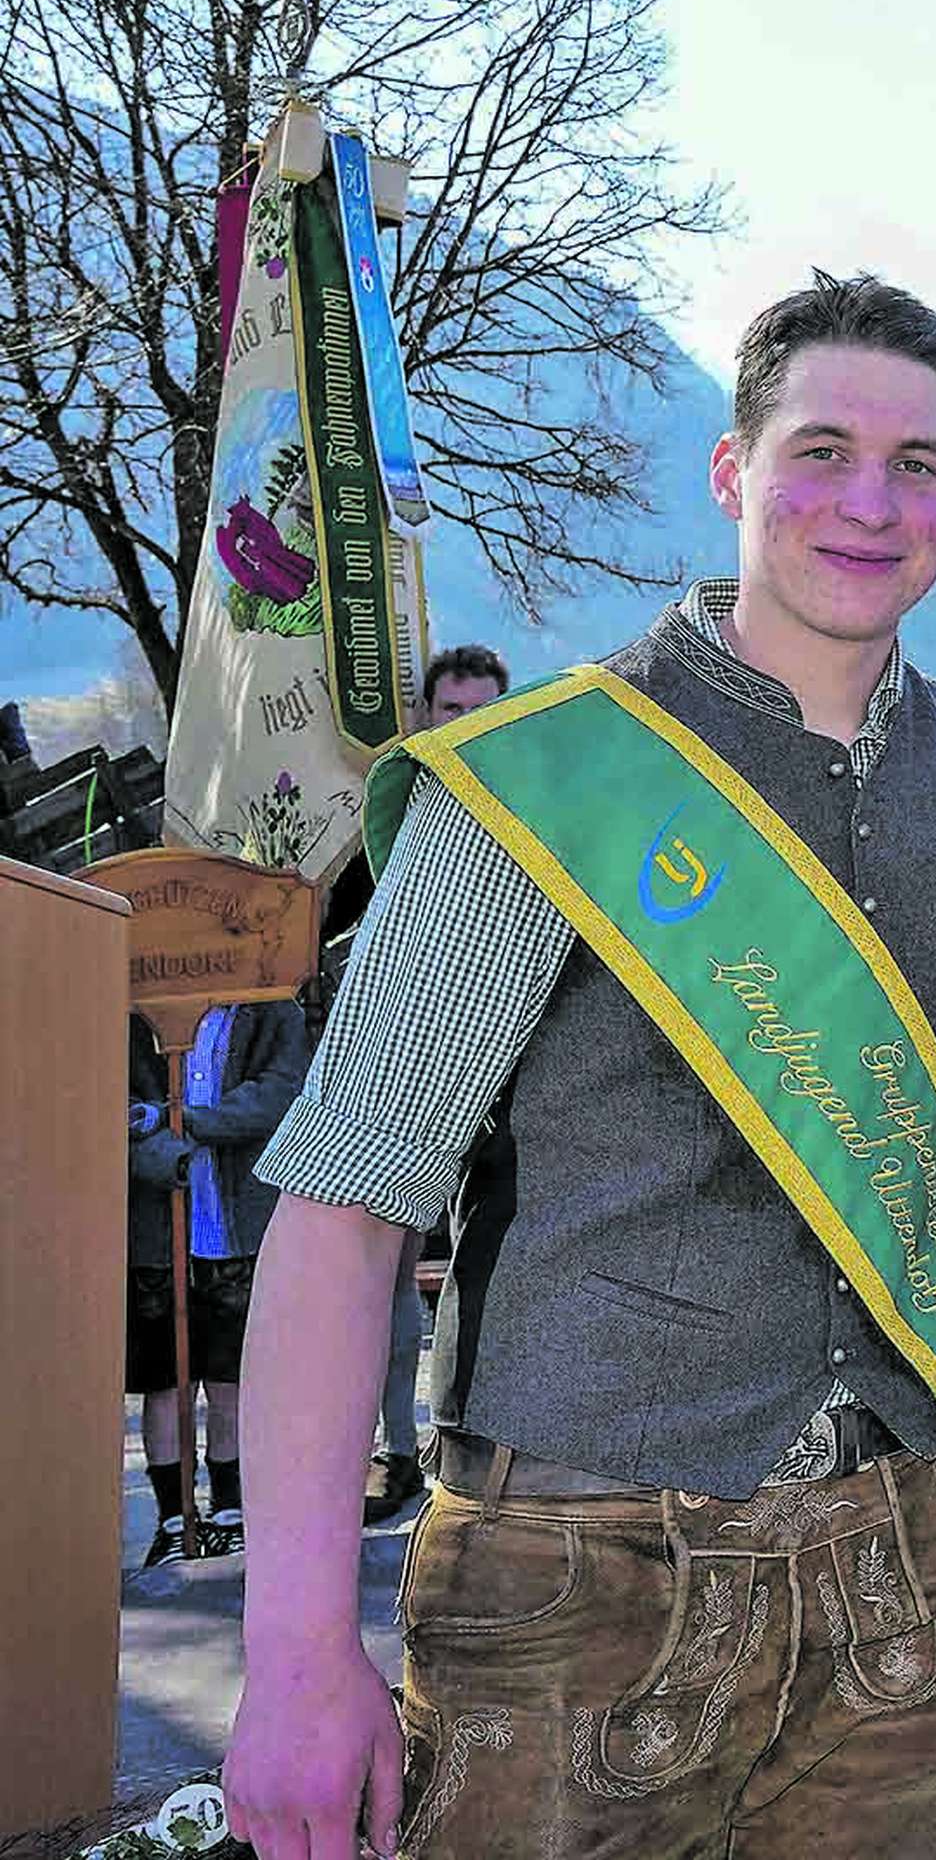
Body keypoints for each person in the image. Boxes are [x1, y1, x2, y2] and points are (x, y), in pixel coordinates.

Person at [226, 273, 936, 1860]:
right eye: (821, 452)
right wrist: (296, 1656)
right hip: (581, 1577)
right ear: (733, 472)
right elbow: (343, 1215)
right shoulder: (548, 780)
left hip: (903, 1579)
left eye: (917, 464)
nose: (870, 504)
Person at [358, 647, 515, 1529]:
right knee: (379, 1286)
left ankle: (467, 1448)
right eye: (452, 710)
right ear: (425, 716)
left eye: (484, 709)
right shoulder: (401, 808)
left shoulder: (531, 812)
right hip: (397, 1083)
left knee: (480, 1267)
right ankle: (393, 1447)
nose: (469, 725)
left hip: (501, 1102)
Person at [127, 998, 310, 1564]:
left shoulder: (271, 1008)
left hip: (233, 1232)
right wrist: (155, 1147)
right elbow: (109, 1099)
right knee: (165, 1383)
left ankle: (230, 1507)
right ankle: (174, 1516)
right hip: (158, 1238)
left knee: (232, 1379)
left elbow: (279, 1092)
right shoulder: (135, 1010)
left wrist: (179, 1120)